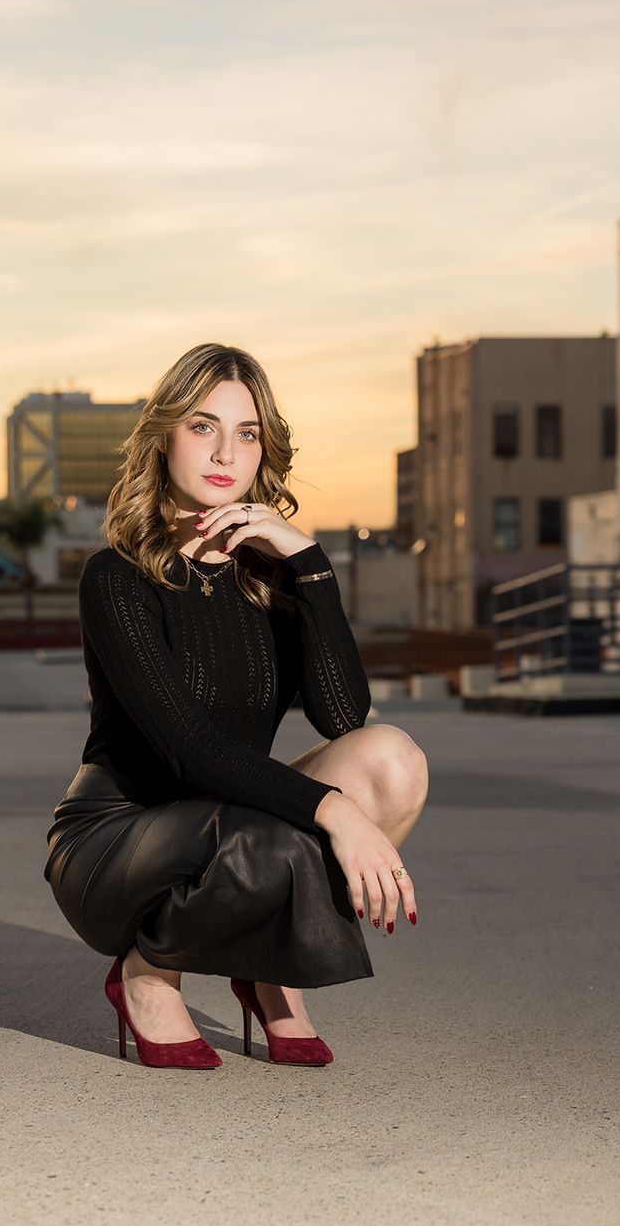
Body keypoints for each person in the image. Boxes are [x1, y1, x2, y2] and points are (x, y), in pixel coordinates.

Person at [43, 342, 429, 1069]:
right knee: (284, 827)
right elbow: (189, 750)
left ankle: (266, 959)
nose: (226, 450)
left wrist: (310, 566)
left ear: (264, 449)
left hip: (233, 819)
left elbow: (345, 718)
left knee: (394, 762)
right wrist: (334, 812)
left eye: (246, 432)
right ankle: (149, 971)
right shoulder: (117, 578)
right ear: (163, 436)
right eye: (202, 426)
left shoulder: (272, 578)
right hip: (121, 836)